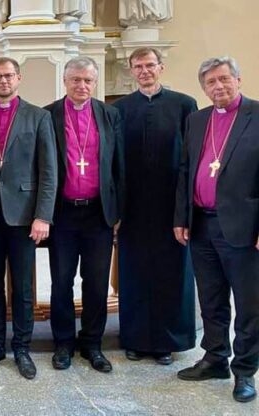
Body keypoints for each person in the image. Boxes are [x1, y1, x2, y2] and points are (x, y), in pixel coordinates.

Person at [174, 56, 259, 403]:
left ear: (238, 79)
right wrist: (181, 217)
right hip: (202, 223)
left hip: (244, 226)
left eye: (224, 79)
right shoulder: (197, 120)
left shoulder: (256, 115)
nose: (218, 86)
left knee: (249, 304)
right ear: (204, 88)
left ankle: (245, 370)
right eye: (210, 82)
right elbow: (185, 169)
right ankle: (214, 358)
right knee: (210, 297)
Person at [0, 57, 57, 380]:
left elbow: (48, 171)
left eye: (8, 75)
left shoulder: (39, 117)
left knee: (22, 288)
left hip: (24, 217)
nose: (3, 81)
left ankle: (22, 347)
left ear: (19, 78)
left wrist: (42, 216)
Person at [114, 47, 197, 365]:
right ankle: (135, 339)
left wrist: (185, 210)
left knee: (170, 272)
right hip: (133, 206)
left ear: (161, 67)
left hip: (171, 204)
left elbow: (191, 158)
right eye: (138, 66)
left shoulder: (184, 104)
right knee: (133, 273)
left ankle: (166, 340)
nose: (144, 71)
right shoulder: (120, 108)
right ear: (131, 70)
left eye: (150, 65)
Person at [44, 56, 124, 373]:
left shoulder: (109, 115)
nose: (82, 85)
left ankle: (92, 343)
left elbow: (119, 165)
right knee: (61, 281)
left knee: (96, 282)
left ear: (95, 82)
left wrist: (118, 211)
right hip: (62, 213)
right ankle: (63, 343)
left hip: (98, 213)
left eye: (88, 80)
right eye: (75, 79)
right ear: (65, 81)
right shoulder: (48, 115)